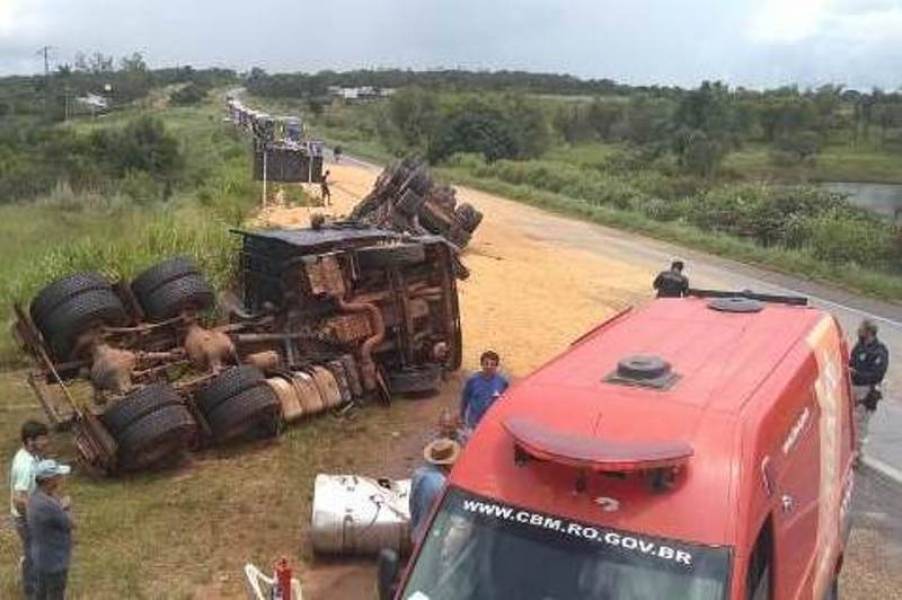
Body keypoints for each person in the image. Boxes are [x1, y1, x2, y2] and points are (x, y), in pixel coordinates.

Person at [9, 420, 50, 599]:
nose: (46, 442)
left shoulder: (29, 456)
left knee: (33, 552)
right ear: (30, 441)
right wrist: (34, 517)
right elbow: (19, 497)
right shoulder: (25, 464)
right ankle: (32, 592)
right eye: (42, 439)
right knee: (33, 554)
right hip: (25, 519)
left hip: (27, 516)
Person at [27, 459, 73, 600]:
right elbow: (71, 523)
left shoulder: (34, 497)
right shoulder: (49, 505)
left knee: (40, 593)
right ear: (49, 479)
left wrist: (59, 504)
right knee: (56, 595)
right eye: (58, 475)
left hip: (40, 557)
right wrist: (67, 508)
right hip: (54, 561)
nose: (61, 478)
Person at [849, 319, 889, 457]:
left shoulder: (879, 352)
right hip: (852, 387)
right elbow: (851, 360)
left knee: (861, 422)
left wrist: (857, 374)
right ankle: (849, 448)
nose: (858, 331)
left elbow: (876, 375)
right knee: (850, 419)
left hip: (866, 391)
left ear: (869, 332)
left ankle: (857, 453)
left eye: (861, 329)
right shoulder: (859, 346)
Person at [409, 438, 460, 542]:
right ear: (449, 463)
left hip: (417, 533)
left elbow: (413, 505)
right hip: (432, 540)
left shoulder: (418, 474)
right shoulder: (443, 486)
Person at [459, 350, 509, 432]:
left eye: (492, 364)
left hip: (492, 423)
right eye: (486, 363)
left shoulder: (502, 382)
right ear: (481, 364)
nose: (489, 367)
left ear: (496, 366)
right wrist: (462, 417)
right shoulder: (472, 380)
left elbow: (505, 403)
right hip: (474, 423)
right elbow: (465, 400)